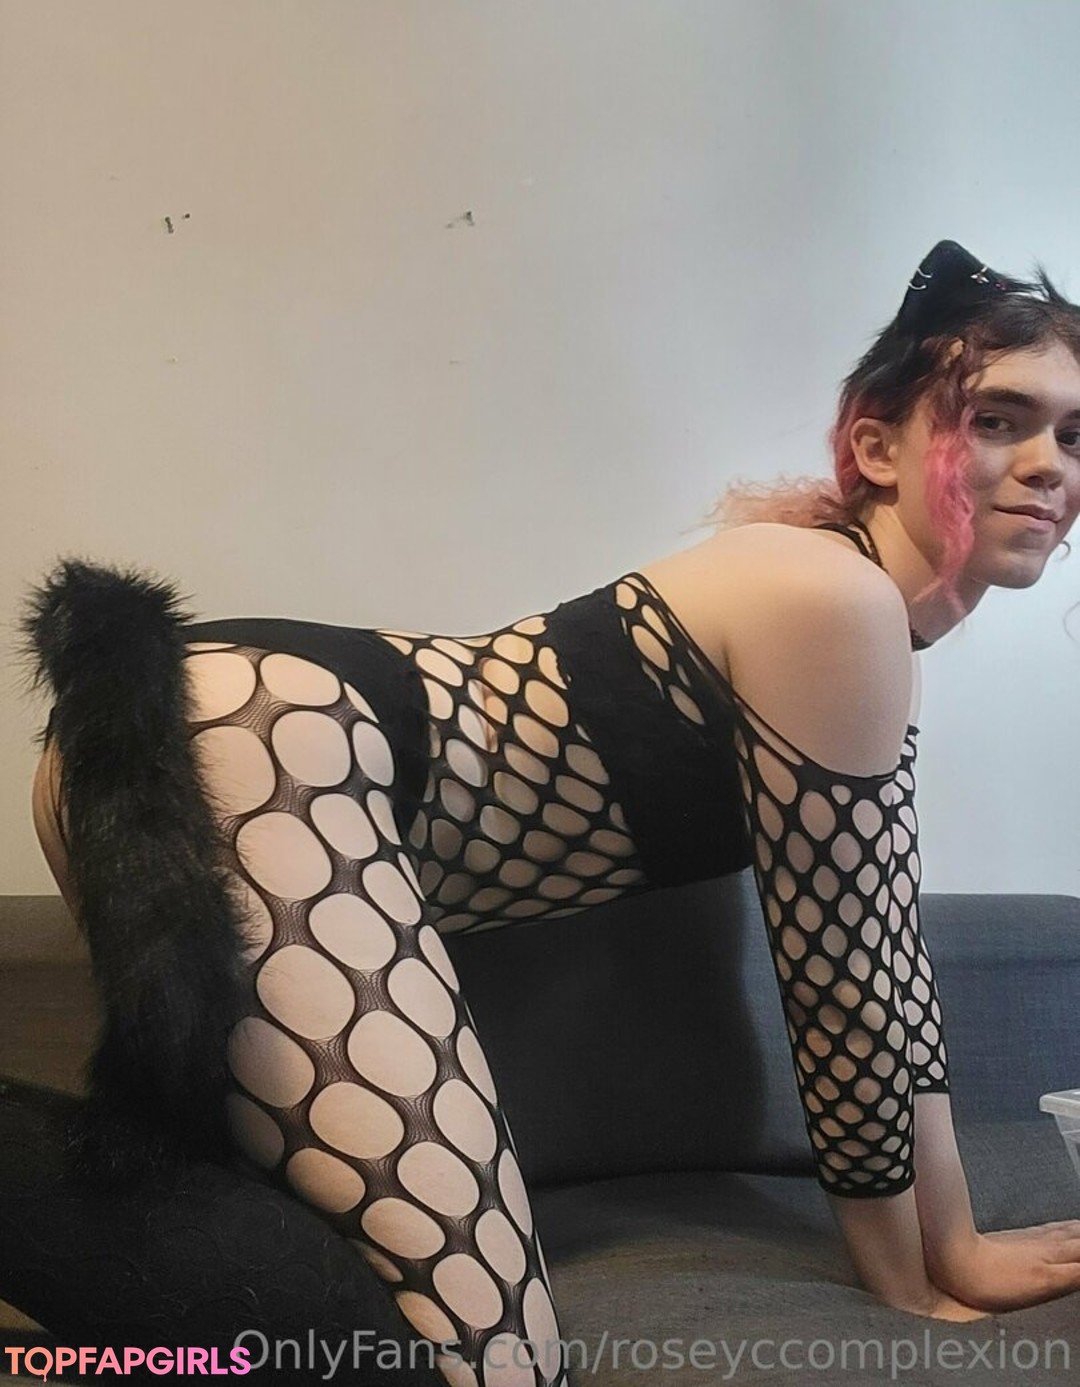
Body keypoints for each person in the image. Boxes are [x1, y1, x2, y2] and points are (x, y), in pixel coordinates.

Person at [4, 238, 1080, 1386]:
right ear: (875, 446)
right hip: (269, 743)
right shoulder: (833, 595)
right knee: (497, 1360)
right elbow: (844, 978)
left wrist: (955, 1248)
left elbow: (887, 957)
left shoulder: (853, 622)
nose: (1048, 466)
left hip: (200, 729)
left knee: (301, 1269)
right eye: (997, 419)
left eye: (1075, 436)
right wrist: (918, 1276)